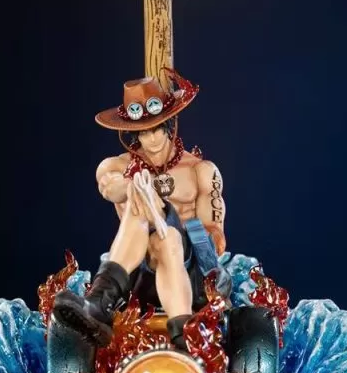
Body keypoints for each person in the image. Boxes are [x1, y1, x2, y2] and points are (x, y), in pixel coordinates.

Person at [53, 68, 231, 352]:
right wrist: (133, 187)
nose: (152, 139)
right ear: (133, 133)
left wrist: (181, 224)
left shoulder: (201, 171)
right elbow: (109, 186)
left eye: (157, 128)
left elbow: (214, 237)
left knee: (168, 238)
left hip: (190, 274)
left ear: (169, 125)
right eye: (143, 132)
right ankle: (181, 333)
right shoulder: (118, 166)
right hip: (138, 276)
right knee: (143, 207)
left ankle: (99, 302)